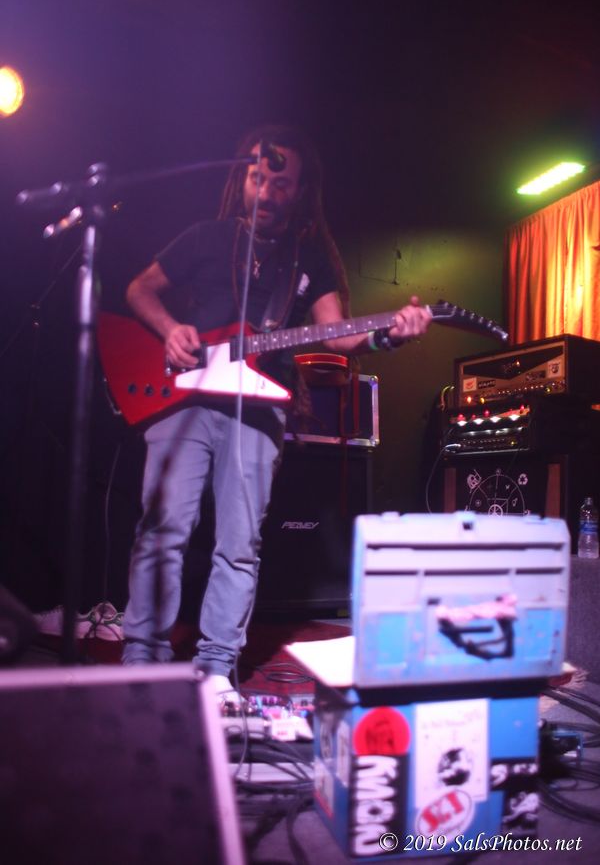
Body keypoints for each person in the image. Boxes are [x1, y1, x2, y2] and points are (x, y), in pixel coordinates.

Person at [120, 124, 431, 697]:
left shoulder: (307, 258)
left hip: (259, 406)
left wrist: (389, 333)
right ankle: (142, 658)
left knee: (240, 543)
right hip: (185, 398)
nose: (265, 191)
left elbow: (336, 335)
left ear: (300, 191)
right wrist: (170, 330)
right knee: (162, 529)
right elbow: (139, 289)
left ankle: (216, 668)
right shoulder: (206, 237)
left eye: (280, 184)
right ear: (242, 178)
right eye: (257, 178)